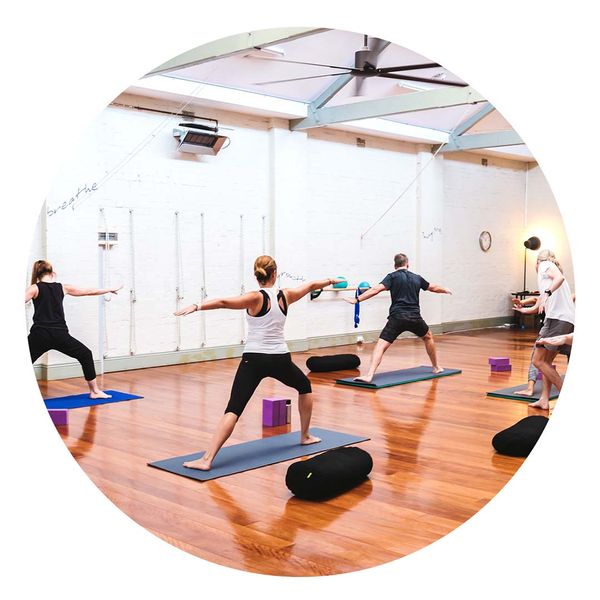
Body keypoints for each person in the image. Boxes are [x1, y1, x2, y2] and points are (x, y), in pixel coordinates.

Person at [174, 255, 342, 471]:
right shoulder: (286, 295)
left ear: (257, 275)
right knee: (304, 386)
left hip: (253, 360)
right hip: (280, 358)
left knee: (234, 408)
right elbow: (310, 285)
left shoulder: (254, 298)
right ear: (274, 274)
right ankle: (305, 435)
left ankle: (206, 460)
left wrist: (197, 306)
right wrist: (330, 280)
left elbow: (224, 302)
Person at [343, 253, 451, 384]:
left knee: (380, 346)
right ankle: (436, 367)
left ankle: (369, 375)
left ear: (395, 265)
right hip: (414, 318)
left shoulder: (392, 277)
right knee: (428, 336)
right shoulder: (417, 278)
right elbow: (432, 287)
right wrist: (445, 289)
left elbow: (376, 289)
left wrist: (357, 299)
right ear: (407, 264)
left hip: (397, 318)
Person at [25, 260, 122, 398]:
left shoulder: (34, 288)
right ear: (52, 273)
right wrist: (109, 289)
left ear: (37, 274)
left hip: (40, 335)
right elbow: (89, 291)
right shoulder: (63, 287)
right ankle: (94, 391)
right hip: (60, 335)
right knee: (85, 354)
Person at [513, 250, 575, 409]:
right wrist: (525, 310)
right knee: (546, 362)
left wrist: (547, 294)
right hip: (564, 320)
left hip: (556, 320)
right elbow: (540, 303)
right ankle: (544, 399)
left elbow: (558, 279)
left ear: (537, 262)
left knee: (538, 360)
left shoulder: (545, 266)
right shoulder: (548, 277)